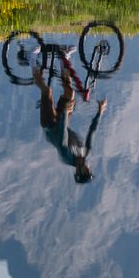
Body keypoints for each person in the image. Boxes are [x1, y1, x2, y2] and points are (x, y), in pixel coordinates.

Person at [32, 44, 107, 184]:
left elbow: (62, 134)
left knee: (47, 91)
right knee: (70, 93)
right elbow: (92, 132)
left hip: (50, 125)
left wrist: (66, 111)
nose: (88, 168)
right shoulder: (85, 153)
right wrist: (99, 112)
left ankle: (31, 58)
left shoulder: (67, 156)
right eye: (89, 170)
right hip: (62, 121)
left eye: (86, 171)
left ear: (79, 172)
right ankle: (63, 58)